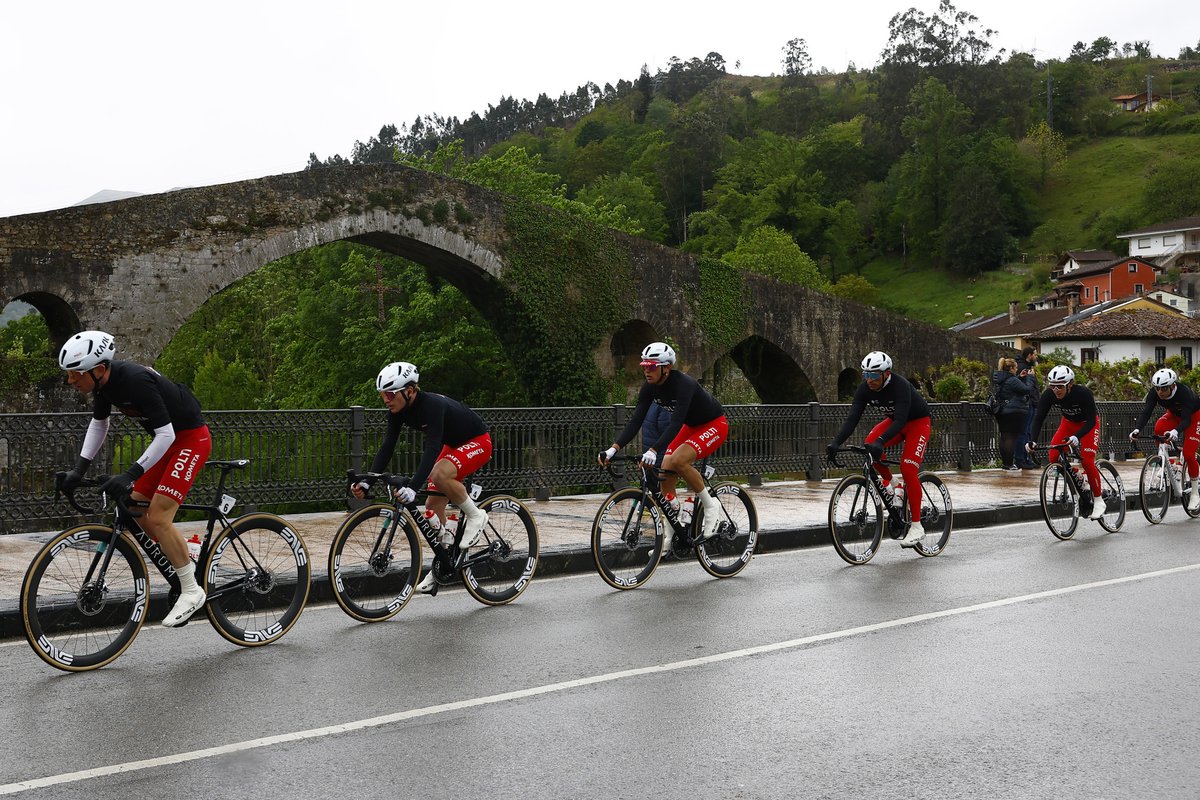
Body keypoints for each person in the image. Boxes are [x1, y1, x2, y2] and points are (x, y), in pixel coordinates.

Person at [57, 330, 212, 627]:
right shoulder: (103, 387)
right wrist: (78, 470)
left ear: (98, 369)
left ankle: (192, 591)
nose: (70, 380)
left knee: (158, 516)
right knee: (135, 507)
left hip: (191, 439)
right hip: (168, 442)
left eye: (75, 374)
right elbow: (99, 425)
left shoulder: (134, 380)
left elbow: (166, 434)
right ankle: (183, 552)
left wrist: (130, 473)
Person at [351, 361, 492, 593]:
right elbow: (387, 447)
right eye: (382, 395)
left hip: (477, 441)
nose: (386, 399)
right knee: (431, 508)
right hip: (454, 445)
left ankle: (476, 515)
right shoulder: (396, 412)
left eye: (390, 393)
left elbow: (432, 448)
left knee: (439, 473)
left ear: (409, 390)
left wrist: (413, 487)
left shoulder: (432, 405)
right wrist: (368, 481)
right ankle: (443, 565)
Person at [596, 342, 727, 541]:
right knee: (665, 468)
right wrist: (613, 449)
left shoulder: (684, 384)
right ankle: (673, 523)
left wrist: (653, 450)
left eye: (651, 367)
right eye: (644, 367)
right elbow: (635, 421)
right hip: (690, 426)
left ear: (666, 368)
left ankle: (711, 506)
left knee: (679, 461)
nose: (646, 371)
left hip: (714, 424)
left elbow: (674, 424)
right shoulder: (649, 388)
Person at [826, 351, 931, 547]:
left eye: (874, 375)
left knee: (908, 468)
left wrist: (881, 441)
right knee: (869, 445)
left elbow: (900, 420)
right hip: (895, 422)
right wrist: (836, 442)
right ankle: (892, 483)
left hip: (917, 423)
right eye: (865, 375)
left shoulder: (900, 386)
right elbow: (852, 419)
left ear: (886, 373)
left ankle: (917, 526)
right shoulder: (865, 389)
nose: (869, 380)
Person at [1026, 364, 1105, 520]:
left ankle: (1098, 500)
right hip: (1068, 423)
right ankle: (1078, 477)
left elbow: (1090, 420)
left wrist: (1077, 436)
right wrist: (1032, 441)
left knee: (1087, 460)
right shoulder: (1049, 395)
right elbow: (1039, 418)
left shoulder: (1083, 393)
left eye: (1060, 386)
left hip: (1088, 424)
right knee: (1054, 456)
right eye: (1052, 386)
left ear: (1070, 384)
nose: (1056, 390)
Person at [1129, 367, 1200, 511]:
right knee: (1159, 428)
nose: (1160, 392)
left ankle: (1194, 493)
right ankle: (1172, 463)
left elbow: (1186, 420)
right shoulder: (1155, 393)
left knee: (1188, 454)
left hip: (1194, 416)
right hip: (1174, 415)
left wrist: (1175, 431)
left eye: (1164, 388)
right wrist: (1137, 429)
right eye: (1157, 388)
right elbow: (1147, 411)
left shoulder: (1183, 393)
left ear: (1173, 385)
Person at [992, 357, 1036, 471]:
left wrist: (1019, 377)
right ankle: (1009, 465)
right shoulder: (1012, 380)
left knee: (1004, 437)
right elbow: (1027, 389)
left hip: (1002, 411)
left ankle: (1005, 464)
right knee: (1011, 437)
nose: (1016, 369)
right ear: (1011, 368)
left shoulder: (1001, 379)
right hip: (1013, 412)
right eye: (1015, 367)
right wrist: (1030, 378)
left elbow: (1010, 387)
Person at [1014, 346, 1040, 468]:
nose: (1036, 356)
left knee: (1028, 432)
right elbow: (1025, 388)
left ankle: (1026, 459)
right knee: (1024, 432)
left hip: (1030, 403)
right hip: (1027, 404)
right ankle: (1021, 459)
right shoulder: (1023, 368)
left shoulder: (1026, 367)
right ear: (1029, 355)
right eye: (1034, 354)